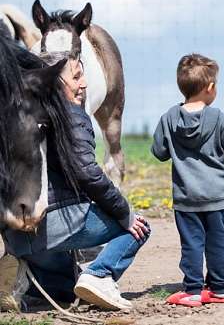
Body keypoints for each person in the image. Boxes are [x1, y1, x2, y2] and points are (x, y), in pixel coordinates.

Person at [0, 53, 150, 311]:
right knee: (139, 227)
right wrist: (125, 213)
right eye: (76, 76)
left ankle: (27, 284)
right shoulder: (71, 114)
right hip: (57, 224)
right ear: (53, 83)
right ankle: (100, 275)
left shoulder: (21, 117)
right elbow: (87, 172)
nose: (84, 84)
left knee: (67, 290)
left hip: (17, 236)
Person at [151, 53, 224, 306]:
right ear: (210, 88)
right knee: (218, 244)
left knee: (191, 245)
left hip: (185, 199)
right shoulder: (218, 118)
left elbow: (159, 152)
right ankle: (221, 289)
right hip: (215, 197)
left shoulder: (168, 118)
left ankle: (192, 290)